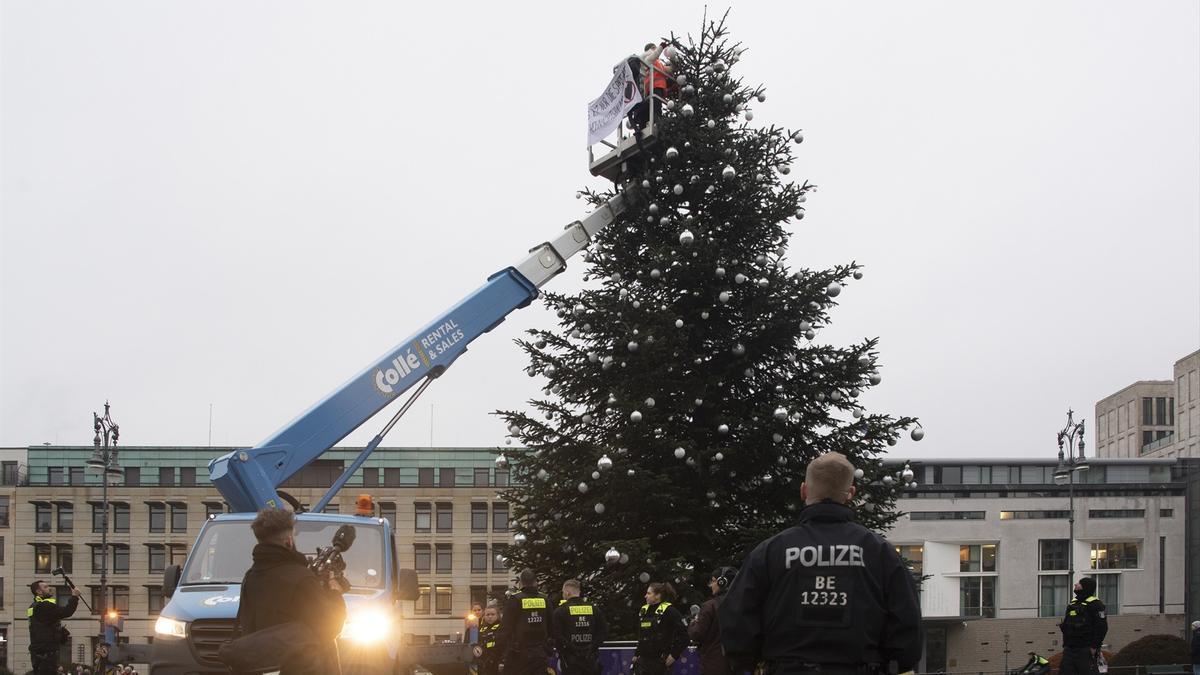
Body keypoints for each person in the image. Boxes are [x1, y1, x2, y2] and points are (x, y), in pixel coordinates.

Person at [719, 451, 923, 674]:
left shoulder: (771, 551)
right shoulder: (879, 552)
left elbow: (737, 620)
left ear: (804, 490)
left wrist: (748, 662)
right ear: (851, 494)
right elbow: (907, 629)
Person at [235, 508, 349, 675]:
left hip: (260, 666)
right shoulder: (302, 579)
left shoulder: (251, 577)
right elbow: (330, 627)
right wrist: (335, 592)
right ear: (289, 541)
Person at [498, 569, 551, 675]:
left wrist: (500, 653)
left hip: (518, 655)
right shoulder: (545, 600)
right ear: (536, 582)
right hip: (540, 654)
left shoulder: (515, 600)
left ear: (521, 583)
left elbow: (505, 629)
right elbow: (551, 627)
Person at [552, 579, 608, 675]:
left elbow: (557, 635)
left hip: (570, 662)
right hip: (590, 660)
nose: (562, 595)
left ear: (567, 592)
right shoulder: (594, 609)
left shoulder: (561, 611)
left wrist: (569, 647)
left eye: (563, 592)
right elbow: (604, 631)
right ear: (579, 592)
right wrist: (592, 646)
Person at [689, 567, 737, 675]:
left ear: (722, 582)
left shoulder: (710, 606)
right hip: (738, 665)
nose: (711, 584)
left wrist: (693, 623)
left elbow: (696, 634)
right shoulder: (743, 605)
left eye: (714, 580)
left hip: (714, 664)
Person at [633, 582, 688, 675]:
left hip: (661, 662)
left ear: (658, 595)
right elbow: (642, 636)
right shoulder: (643, 611)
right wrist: (636, 654)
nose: (645, 596)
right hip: (643, 662)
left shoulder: (669, 611)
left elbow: (685, 636)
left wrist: (674, 655)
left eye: (649, 593)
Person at [28, 580, 80, 675]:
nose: (49, 588)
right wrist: (75, 597)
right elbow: (67, 612)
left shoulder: (33, 606)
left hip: (38, 651)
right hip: (46, 653)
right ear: (38, 592)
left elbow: (43, 625)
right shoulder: (44, 606)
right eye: (45, 587)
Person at [1059, 577, 1107, 675]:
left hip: (1086, 649)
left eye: (1079, 583)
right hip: (1069, 649)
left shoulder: (1096, 604)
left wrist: (1094, 646)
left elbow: (1102, 627)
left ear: (1085, 587)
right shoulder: (1073, 603)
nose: (1075, 584)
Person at [474, 605, 502, 675]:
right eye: (487, 615)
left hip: (497, 663)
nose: (490, 616)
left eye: (492, 614)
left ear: (498, 615)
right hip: (483, 664)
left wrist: (502, 661)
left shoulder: (502, 628)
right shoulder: (481, 629)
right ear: (484, 616)